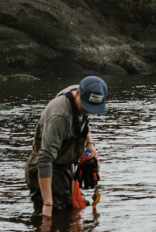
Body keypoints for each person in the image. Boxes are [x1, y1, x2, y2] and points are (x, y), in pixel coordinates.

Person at [26, 76, 108, 217]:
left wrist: (90, 145)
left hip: (64, 163)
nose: (88, 111)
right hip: (45, 167)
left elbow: (83, 121)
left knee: (75, 208)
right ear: (77, 93)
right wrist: (47, 204)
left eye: (93, 108)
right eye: (86, 106)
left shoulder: (86, 92)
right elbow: (44, 159)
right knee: (54, 216)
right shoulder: (60, 117)